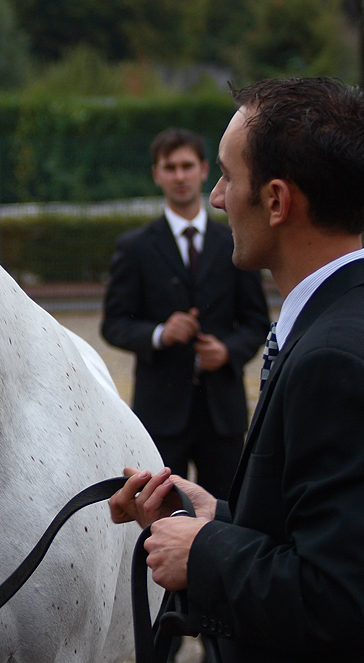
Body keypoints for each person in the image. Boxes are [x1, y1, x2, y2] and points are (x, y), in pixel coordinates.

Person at [110, 77, 364, 662]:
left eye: (228, 177)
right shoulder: (359, 313)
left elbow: (342, 601)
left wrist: (205, 550)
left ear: (278, 201)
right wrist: (219, 516)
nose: (214, 197)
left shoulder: (333, 362)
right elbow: (334, 536)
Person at [101, 127, 269, 500]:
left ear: (205, 170)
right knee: (161, 516)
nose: (179, 176)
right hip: (160, 413)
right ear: (157, 174)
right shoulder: (134, 247)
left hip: (222, 415)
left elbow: (257, 321)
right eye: (170, 167)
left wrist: (227, 351)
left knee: (228, 516)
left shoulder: (235, 242)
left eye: (187, 166)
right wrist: (160, 334)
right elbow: (114, 324)